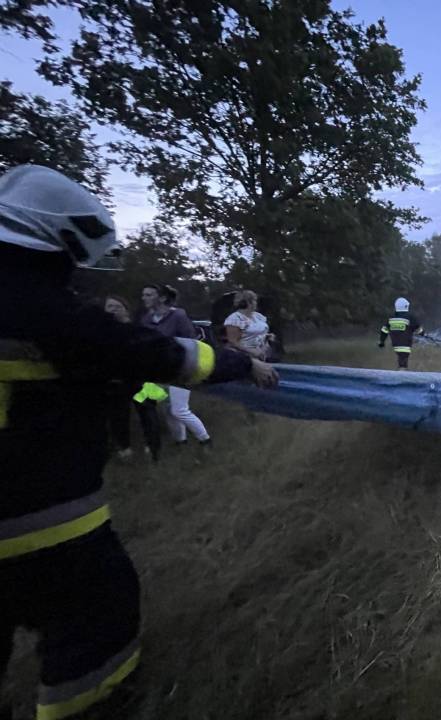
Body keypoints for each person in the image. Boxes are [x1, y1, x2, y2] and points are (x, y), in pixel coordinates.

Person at [0, 164, 277, 720]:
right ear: (52, 243)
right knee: (95, 630)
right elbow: (160, 354)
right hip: (43, 525)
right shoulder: (39, 308)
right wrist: (240, 364)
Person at [140, 284, 211, 446]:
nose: (144, 298)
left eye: (149, 295)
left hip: (181, 368)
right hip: (158, 370)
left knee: (179, 410)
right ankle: (180, 442)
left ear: (162, 298)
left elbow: (191, 341)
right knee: (167, 408)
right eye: (144, 295)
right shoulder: (146, 319)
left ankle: (206, 440)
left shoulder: (178, 315)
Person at [103, 295, 166, 462]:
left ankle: (152, 448)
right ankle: (124, 449)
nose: (113, 310)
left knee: (148, 412)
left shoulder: (137, 330)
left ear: (126, 310)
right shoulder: (102, 332)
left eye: (117, 306)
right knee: (118, 415)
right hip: (116, 382)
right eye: (109, 307)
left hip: (141, 380)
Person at [224, 289, 274, 360]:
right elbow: (233, 342)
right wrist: (252, 351)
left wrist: (268, 338)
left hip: (262, 355)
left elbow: (261, 334)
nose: (256, 303)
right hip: (244, 357)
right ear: (247, 302)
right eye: (254, 300)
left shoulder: (258, 316)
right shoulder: (235, 318)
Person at [379, 297, 423, 368]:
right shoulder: (410, 317)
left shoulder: (391, 318)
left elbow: (384, 330)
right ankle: (402, 371)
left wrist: (382, 342)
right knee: (403, 363)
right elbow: (418, 328)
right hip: (405, 346)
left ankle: (401, 369)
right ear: (406, 306)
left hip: (395, 344)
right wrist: (422, 333)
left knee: (401, 359)